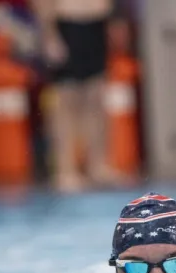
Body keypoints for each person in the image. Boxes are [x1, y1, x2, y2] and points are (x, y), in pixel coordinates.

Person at [32, 0, 128, 192]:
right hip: (66, 20)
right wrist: (49, 33)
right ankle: (65, 169)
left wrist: (116, 21)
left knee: (96, 96)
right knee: (67, 98)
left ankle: (98, 164)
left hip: (97, 19)